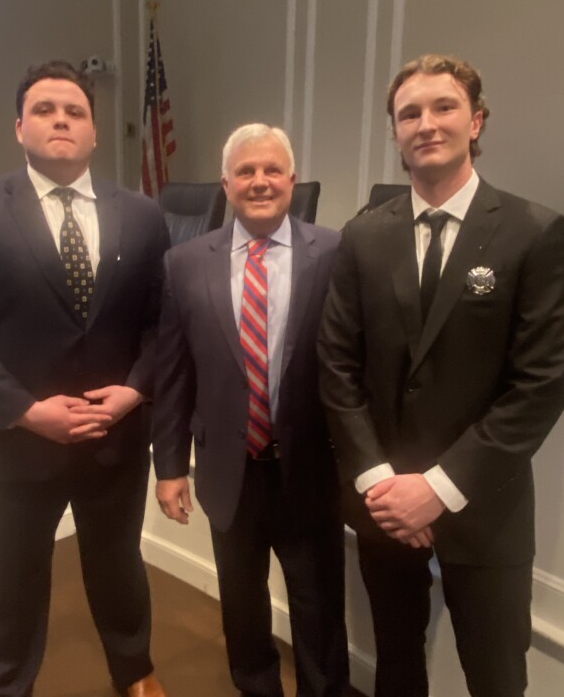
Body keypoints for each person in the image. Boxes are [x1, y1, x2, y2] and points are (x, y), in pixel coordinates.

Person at [317, 54, 564, 697]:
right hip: (384, 499)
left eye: (444, 107)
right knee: (396, 665)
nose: (426, 123)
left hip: (485, 500)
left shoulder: (534, 232)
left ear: (476, 120)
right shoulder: (362, 236)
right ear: (395, 132)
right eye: (409, 113)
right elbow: (336, 364)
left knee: (496, 674)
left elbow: (540, 383)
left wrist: (439, 485)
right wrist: (381, 480)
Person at [0, 60, 169, 697]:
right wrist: (29, 412)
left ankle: (135, 673)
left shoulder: (142, 216)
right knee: (14, 583)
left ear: (93, 133)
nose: (61, 119)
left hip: (112, 437)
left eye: (76, 111)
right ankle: (8, 686)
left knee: (119, 570)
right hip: (11, 443)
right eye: (45, 109)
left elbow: (161, 324)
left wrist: (136, 391)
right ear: (19, 128)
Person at [153, 124, 349, 697]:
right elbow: (173, 374)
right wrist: (168, 465)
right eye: (245, 171)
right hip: (227, 470)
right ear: (226, 184)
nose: (259, 181)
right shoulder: (184, 263)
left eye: (271, 170)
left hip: (309, 469)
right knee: (241, 605)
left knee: (319, 610)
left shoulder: (336, 252)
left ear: (292, 180)